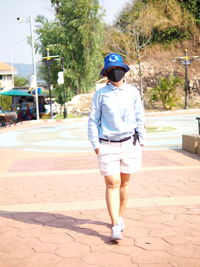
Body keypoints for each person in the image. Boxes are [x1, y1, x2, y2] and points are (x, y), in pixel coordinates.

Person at [88, 53, 145, 241]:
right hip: (107, 145)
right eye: (111, 70)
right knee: (113, 183)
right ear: (106, 73)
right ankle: (114, 226)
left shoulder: (133, 92)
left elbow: (140, 117)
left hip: (130, 143)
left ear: (124, 69)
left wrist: (142, 140)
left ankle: (120, 217)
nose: (115, 72)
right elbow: (93, 121)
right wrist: (96, 145)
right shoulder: (100, 94)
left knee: (125, 183)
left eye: (118, 68)